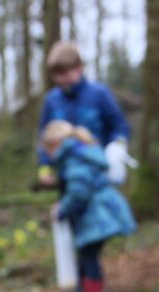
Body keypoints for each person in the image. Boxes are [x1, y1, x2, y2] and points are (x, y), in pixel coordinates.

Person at [43, 120, 136, 292]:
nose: (48, 155)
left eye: (48, 149)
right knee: (87, 254)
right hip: (99, 212)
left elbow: (78, 191)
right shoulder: (80, 153)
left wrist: (63, 209)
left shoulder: (73, 159)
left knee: (88, 255)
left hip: (97, 215)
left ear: (55, 143)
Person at [37, 42, 132, 188]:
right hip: (68, 177)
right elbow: (45, 137)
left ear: (79, 68)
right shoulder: (52, 100)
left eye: (66, 73)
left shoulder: (99, 94)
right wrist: (44, 166)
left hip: (99, 175)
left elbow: (120, 125)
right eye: (57, 75)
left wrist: (117, 146)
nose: (61, 79)